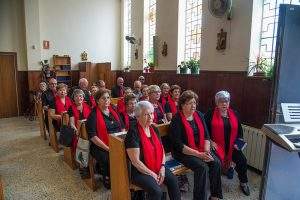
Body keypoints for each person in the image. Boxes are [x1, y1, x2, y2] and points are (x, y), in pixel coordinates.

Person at [169, 90, 223, 200]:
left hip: (201, 149)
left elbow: (207, 136)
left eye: (194, 103)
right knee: (202, 167)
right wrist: (199, 154)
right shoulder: (176, 119)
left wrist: (207, 151)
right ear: (183, 105)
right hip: (183, 152)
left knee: (216, 162)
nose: (193, 105)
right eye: (190, 103)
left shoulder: (199, 115)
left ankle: (215, 196)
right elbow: (178, 145)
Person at [125, 101, 181, 200]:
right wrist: (153, 174)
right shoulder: (133, 133)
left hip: (158, 166)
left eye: (151, 113)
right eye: (146, 114)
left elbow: (162, 150)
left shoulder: (154, 128)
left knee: (173, 181)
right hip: (140, 171)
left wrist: (163, 167)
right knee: (156, 191)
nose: (151, 117)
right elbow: (136, 162)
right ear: (137, 117)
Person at [204, 90, 250, 196]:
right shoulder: (210, 114)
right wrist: (210, 141)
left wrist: (239, 142)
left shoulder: (234, 113)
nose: (224, 104)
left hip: (231, 145)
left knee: (242, 160)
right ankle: (215, 190)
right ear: (217, 102)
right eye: (221, 101)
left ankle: (243, 182)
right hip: (216, 145)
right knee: (216, 163)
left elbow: (240, 131)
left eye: (226, 101)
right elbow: (204, 130)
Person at [86, 88, 124, 189]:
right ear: (97, 101)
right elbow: (93, 137)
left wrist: (123, 141)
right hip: (100, 145)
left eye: (108, 98)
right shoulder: (93, 116)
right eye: (103, 98)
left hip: (118, 142)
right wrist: (108, 148)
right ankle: (108, 178)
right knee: (108, 158)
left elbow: (123, 127)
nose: (107, 100)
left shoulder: (114, 111)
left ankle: (124, 176)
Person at [68, 89, 91, 179]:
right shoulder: (71, 108)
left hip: (88, 130)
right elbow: (72, 123)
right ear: (73, 98)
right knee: (81, 143)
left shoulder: (87, 106)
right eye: (77, 96)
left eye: (81, 96)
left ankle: (93, 164)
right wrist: (76, 130)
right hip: (78, 133)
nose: (79, 98)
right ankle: (82, 167)